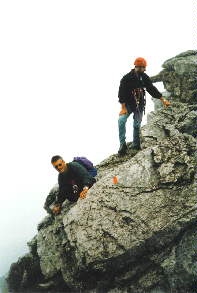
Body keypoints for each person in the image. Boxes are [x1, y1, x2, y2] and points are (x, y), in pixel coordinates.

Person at [118, 57, 171, 155]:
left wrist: (163, 100)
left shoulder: (144, 77)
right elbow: (121, 93)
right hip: (128, 105)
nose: (143, 69)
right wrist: (123, 107)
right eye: (142, 67)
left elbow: (151, 88)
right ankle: (122, 144)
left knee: (136, 125)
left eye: (144, 67)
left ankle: (136, 144)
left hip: (139, 105)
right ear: (136, 66)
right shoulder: (127, 78)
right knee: (121, 121)